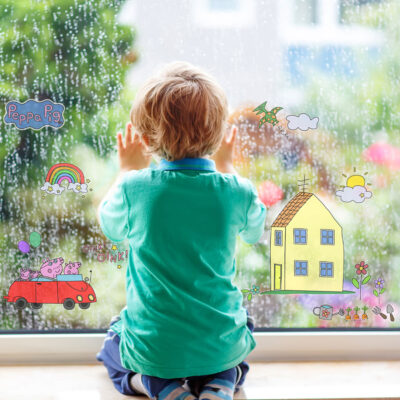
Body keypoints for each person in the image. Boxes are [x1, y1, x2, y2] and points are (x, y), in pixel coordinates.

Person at [97, 62, 266, 400]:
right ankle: (220, 380)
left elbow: (111, 227)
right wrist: (229, 167)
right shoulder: (236, 190)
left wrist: (128, 168)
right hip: (217, 344)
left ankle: (153, 384)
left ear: (145, 139)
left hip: (157, 350)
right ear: (219, 135)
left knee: (112, 344)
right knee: (238, 327)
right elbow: (254, 233)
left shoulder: (135, 188)